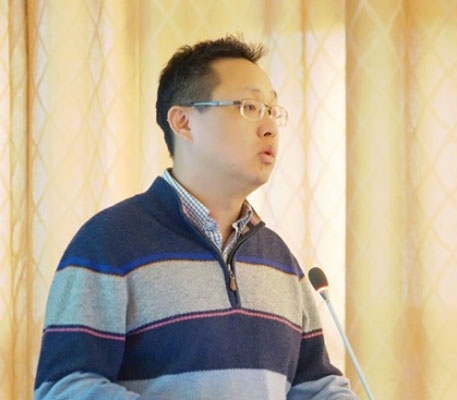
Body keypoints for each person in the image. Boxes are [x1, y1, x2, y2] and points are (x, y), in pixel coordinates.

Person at [33, 36, 357, 399]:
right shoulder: (107, 242)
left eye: (272, 110)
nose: (269, 126)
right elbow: (63, 388)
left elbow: (316, 388)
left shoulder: (280, 261)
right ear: (184, 122)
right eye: (249, 107)